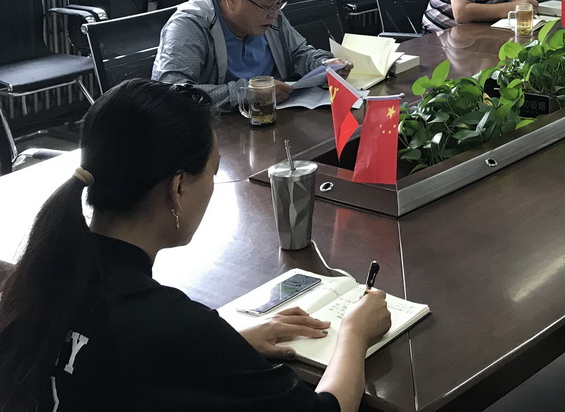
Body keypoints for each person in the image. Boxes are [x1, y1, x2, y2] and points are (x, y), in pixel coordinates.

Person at [0, 79, 390, 412]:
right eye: (213, 172)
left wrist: (227, 344)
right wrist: (354, 333)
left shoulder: (41, 278)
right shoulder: (166, 323)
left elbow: (116, 363)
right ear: (178, 187)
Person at [152, 0, 341, 112]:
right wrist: (249, 93)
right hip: (219, 129)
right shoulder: (190, 25)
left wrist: (324, 65)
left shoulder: (271, 15)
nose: (275, 14)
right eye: (267, 5)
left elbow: (299, 53)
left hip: (274, 116)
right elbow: (172, 93)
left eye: (278, 4)